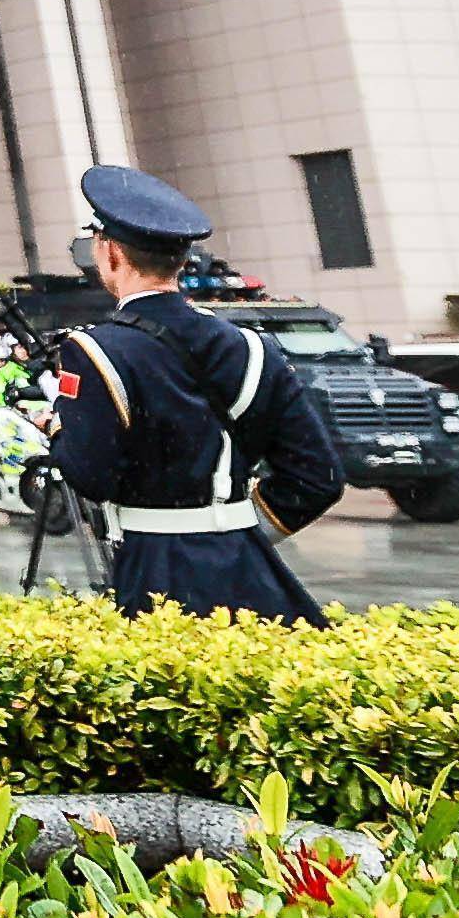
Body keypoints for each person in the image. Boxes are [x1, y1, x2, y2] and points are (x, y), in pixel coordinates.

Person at [39, 166, 341, 622]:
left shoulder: (93, 350)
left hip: (155, 568)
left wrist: (60, 423)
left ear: (111, 253)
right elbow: (318, 478)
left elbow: (91, 475)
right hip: (253, 569)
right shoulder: (255, 348)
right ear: (181, 261)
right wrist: (233, 527)